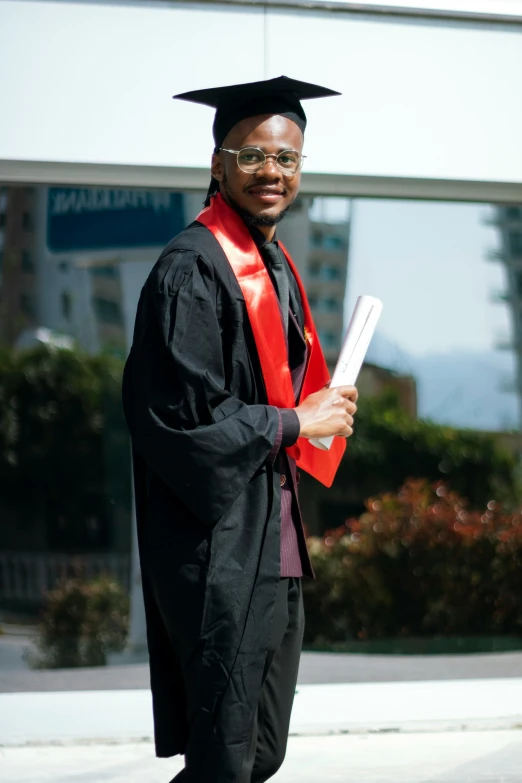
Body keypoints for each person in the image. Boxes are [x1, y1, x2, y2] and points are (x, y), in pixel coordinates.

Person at [122, 75, 358, 783]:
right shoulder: (192, 269)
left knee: (260, 747)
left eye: (286, 158)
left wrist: (317, 413)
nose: (270, 173)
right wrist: (293, 420)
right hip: (217, 548)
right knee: (224, 751)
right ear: (218, 163)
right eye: (252, 155)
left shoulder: (274, 265)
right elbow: (181, 422)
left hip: (272, 541)